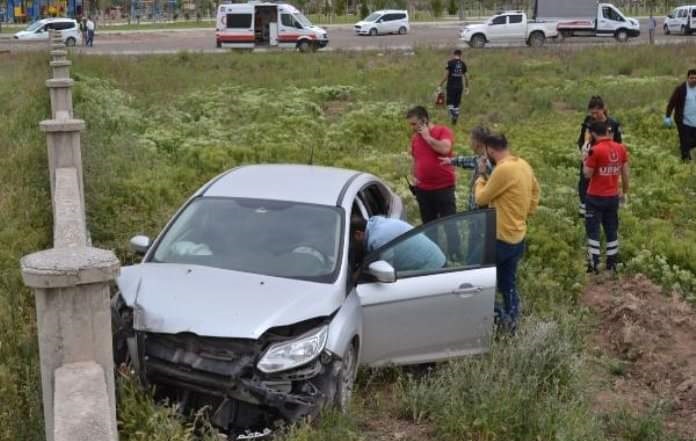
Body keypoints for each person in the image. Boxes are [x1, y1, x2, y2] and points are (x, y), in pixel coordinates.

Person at [474, 133, 540, 332]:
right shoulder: (523, 165)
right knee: (507, 281)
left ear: (491, 150)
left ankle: (498, 318)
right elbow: (536, 192)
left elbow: (481, 199)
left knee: (476, 279)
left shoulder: (503, 170)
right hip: (517, 236)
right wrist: (525, 213)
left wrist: (480, 176)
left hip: (499, 237)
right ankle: (512, 319)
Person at [583, 120, 630, 273]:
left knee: (593, 230)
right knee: (611, 229)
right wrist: (625, 192)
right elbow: (625, 173)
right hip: (612, 196)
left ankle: (594, 263)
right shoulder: (620, 148)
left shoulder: (595, 150)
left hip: (595, 197)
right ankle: (612, 263)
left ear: (594, 134)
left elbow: (587, 174)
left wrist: (585, 158)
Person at [407, 106, 456, 224]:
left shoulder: (442, 131)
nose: (412, 128)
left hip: (443, 188)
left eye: (414, 124)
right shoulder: (415, 138)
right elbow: (415, 158)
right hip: (423, 190)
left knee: (450, 226)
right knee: (429, 227)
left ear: (424, 120)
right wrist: (413, 176)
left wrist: (428, 138)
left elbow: (445, 148)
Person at [350, 216, 446, 275]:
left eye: (351, 241)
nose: (352, 245)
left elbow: (387, 272)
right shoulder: (375, 222)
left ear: (358, 234)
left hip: (432, 267)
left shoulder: (378, 240)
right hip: (433, 257)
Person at [577, 96, 622, 218]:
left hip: (606, 161)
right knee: (585, 181)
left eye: (597, 112)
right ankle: (584, 208)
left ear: (604, 109)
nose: (594, 115)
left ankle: (603, 209)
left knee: (604, 184)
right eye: (592, 113)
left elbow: (618, 144)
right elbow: (581, 140)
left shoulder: (612, 124)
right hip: (590, 158)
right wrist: (584, 150)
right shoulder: (588, 122)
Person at [439, 125, 492, 211]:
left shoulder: (487, 161)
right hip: (475, 210)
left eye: (471, 139)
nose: (469, 142)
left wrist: (483, 174)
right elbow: (470, 160)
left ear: (477, 142)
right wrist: (451, 161)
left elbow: (491, 185)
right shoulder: (480, 158)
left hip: (482, 211)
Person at [665, 69, 696, 161]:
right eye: (692, 78)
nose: (694, 80)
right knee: (685, 142)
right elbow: (672, 103)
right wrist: (667, 116)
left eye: (695, 78)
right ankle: (685, 161)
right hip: (684, 122)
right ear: (687, 78)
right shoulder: (681, 89)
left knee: (687, 143)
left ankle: (684, 147)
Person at [439, 49, 469, 125]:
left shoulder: (450, 63)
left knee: (449, 103)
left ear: (454, 54)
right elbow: (466, 77)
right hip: (460, 87)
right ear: (460, 55)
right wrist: (467, 87)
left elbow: (446, 75)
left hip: (451, 86)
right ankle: (454, 122)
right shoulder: (463, 64)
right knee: (457, 104)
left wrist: (440, 84)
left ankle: (454, 115)